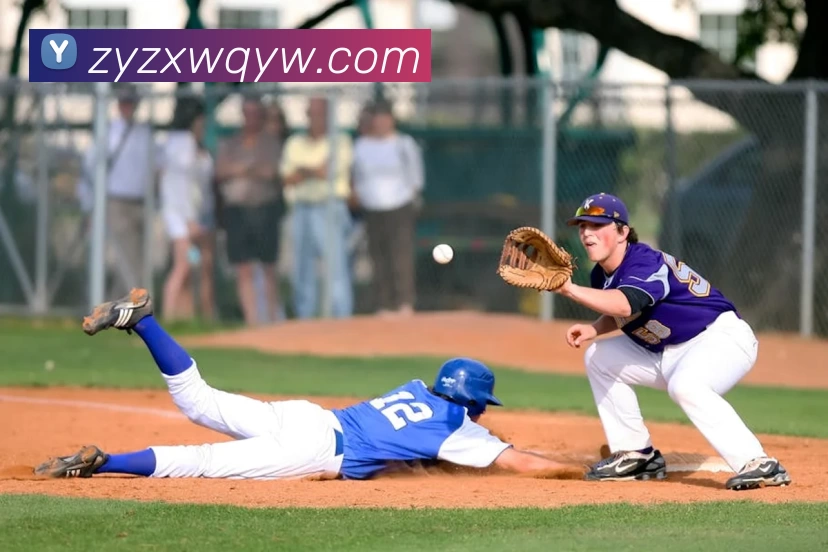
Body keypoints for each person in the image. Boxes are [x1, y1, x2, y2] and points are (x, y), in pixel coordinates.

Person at [33, 289, 579, 481]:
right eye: (481, 407)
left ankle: (144, 320)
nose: (482, 416)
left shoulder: (416, 388)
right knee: (199, 460)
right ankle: (104, 463)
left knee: (197, 400)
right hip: (314, 447)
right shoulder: (455, 429)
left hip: (307, 416)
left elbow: (413, 448)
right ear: (472, 404)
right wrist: (583, 470)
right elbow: (519, 462)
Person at [554, 192, 792, 491]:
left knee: (687, 386)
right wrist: (595, 329)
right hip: (668, 351)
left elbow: (629, 303)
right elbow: (627, 311)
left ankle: (759, 463)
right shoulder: (601, 275)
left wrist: (569, 290)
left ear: (622, 232)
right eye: (582, 226)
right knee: (599, 357)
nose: (587, 232)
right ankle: (636, 455)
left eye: (597, 225)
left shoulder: (644, 261)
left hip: (719, 338)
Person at [215, 94, 284, 326]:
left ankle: (272, 320)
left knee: (268, 267)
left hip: (264, 210)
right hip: (237, 212)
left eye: (256, 114)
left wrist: (241, 169)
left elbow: (270, 172)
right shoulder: (231, 142)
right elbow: (221, 171)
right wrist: (250, 168)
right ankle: (253, 321)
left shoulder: (270, 142)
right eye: (248, 113)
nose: (252, 118)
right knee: (242, 267)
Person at [351, 100, 424, 317]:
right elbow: (356, 176)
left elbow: (415, 177)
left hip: (399, 205)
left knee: (400, 255)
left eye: (385, 118)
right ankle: (384, 304)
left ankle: (404, 302)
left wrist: (410, 197)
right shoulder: (362, 145)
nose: (381, 123)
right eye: (378, 119)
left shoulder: (404, 144)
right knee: (377, 256)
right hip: (372, 207)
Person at [159, 98, 216, 322]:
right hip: (182, 218)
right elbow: (183, 187)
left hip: (193, 216)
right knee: (183, 266)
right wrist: (190, 220)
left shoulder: (190, 144)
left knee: (194, 265)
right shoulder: (182, 145)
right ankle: (169, 315)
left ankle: (187, 316)